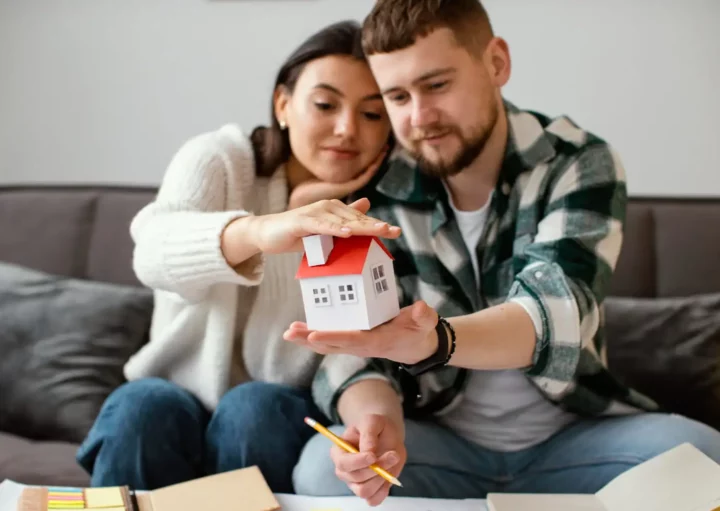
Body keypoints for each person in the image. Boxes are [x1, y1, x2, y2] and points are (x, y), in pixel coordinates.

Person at [286, 0, 720, 505]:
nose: (420, 117)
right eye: (397, 97)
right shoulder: (380, 182)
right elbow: (354, 355)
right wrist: (377, 423)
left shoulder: (576, 161)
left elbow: (555, 314)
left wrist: (435, 342)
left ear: (496, 63)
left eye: (437, 85)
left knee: (703, 456)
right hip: (438, 442)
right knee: (321, 470)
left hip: (575, 438)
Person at [75, 20, 402, 494]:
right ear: (283, 105)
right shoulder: (220, 159)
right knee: (143, 408)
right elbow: (152, 252)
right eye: (325, 105)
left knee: (253, 408)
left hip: (273, 413)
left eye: (372, 115)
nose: (346, 129)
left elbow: (355, 350)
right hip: (169, 397)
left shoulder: (382, 217)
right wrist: (265, 230)